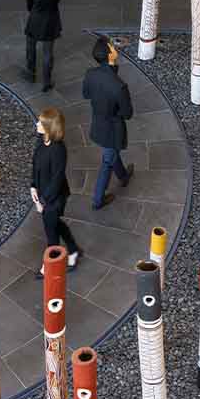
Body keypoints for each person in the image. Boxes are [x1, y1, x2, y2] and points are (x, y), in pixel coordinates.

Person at [82, 36, 134, 211]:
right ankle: (97, 200)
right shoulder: (119, 86)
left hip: (98, 125)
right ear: (109, 55)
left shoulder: (90, 74)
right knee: (107, 160)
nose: (114, 47)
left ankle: (123, 177)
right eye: (112, 46)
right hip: (113, 130)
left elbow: (86, 95)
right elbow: (127, 114)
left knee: (111, 154)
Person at [31, 107, 81, 278]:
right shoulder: (41, 140)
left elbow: (57, 179)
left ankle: (49, 267)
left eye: (41, 122)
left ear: (49, 128)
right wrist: (32, 186)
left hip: (53, 198)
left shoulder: (59, 150)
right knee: (55, 224)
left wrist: (42, 203)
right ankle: (74, 250)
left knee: (51, 233)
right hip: (43, 194)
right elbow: (35, 163)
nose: (37, 123)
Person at [24, 0, 63, 92]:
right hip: (51, 20)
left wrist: (33, 10)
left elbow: (29, 2)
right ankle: (46, 81)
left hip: (35, 18)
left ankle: (31, 73)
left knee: (30, 47)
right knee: (48, 53)